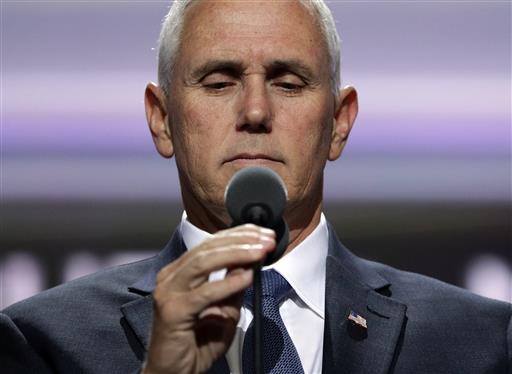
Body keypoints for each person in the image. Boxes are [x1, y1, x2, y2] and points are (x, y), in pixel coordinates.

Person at [1, 1, 510, 373]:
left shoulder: (484, 343)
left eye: (288, 83)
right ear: (161, 120)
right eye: (219, 82)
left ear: (339, 122)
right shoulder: (42, 345)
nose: (256, 113)